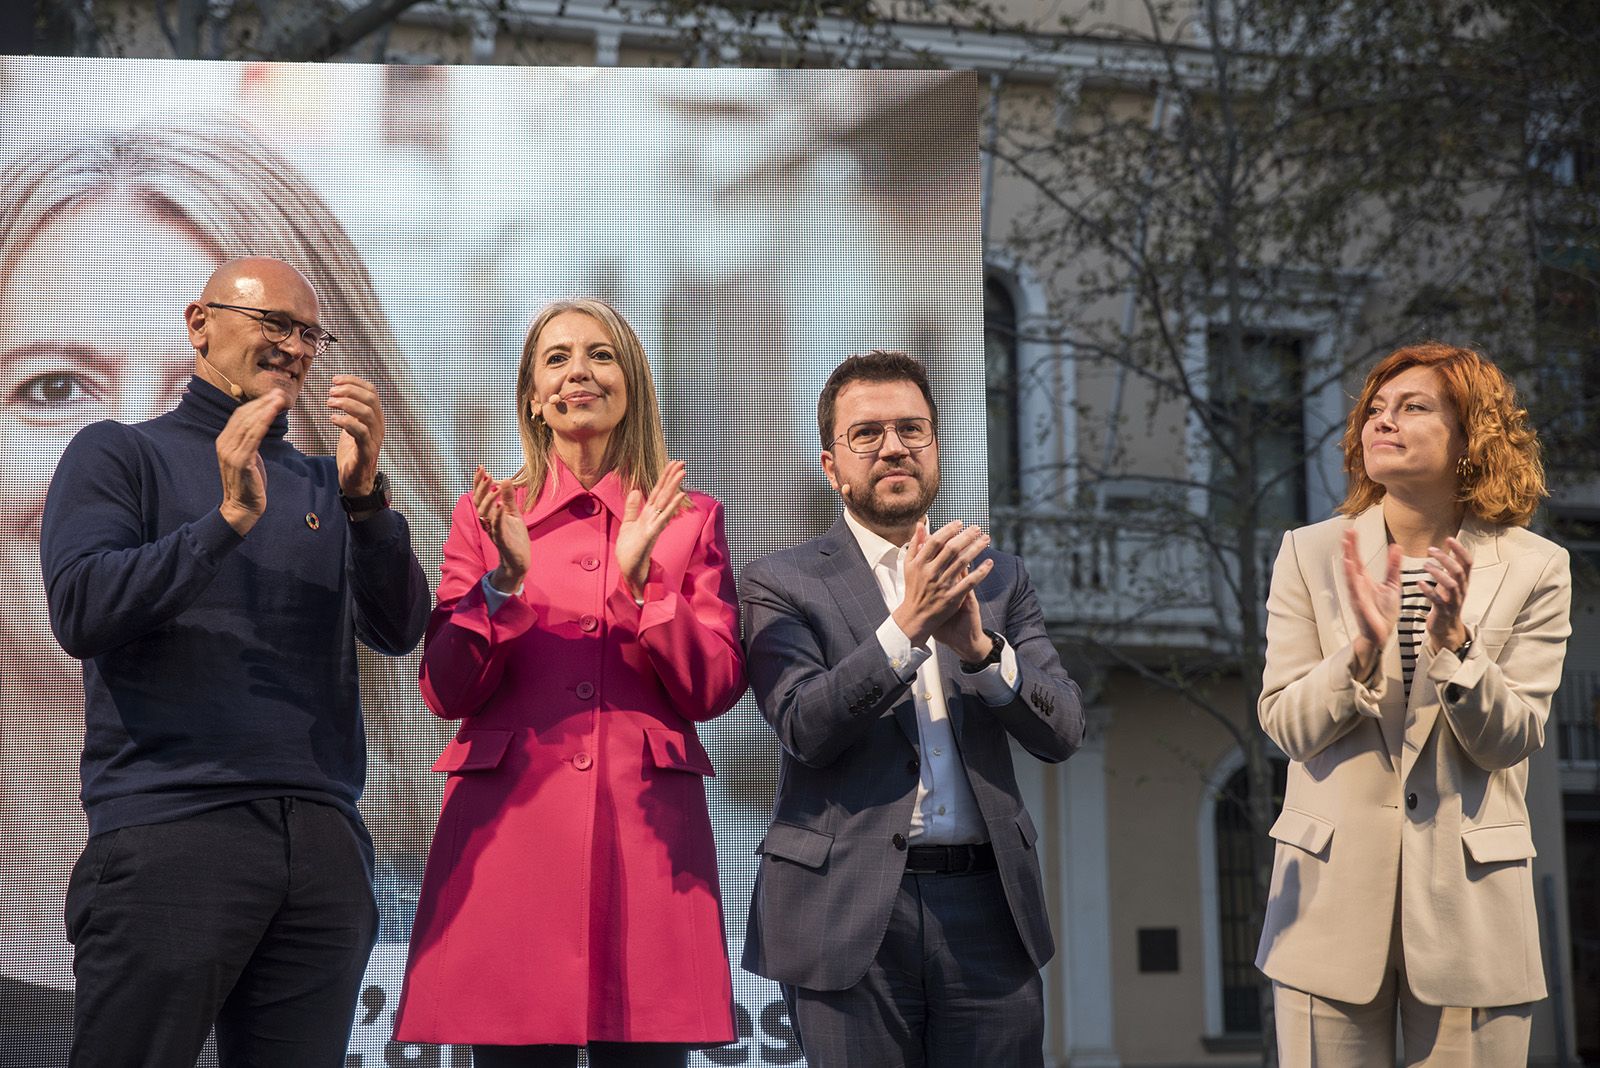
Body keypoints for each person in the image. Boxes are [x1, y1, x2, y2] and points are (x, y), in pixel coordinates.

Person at [0, 120, 452, 1055]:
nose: (290, 343)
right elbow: (82, 609)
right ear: (201, 322)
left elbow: (400, 628)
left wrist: (368, 504)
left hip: (321, 843)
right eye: (51, 384)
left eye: (306, 331)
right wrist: (225, 521)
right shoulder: (118, 454)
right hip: (172, 827)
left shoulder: (326, 481)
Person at [393, 298, 746, 1067]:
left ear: (631, 384)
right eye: (556, 358)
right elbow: (445, 691)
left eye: (600, 354)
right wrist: (502, 585)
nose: (578, 372)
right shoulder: (487, 515)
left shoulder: (690, 517)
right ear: (532, 396)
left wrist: (647, 589)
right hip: (507, 845)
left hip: (647, 848)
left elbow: (714, 688)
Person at [739, 349, 1084, 1067]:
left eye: (911, 429)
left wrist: (982, 652)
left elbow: (1063, 729)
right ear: (831, 466)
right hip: (845, 910)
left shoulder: (998, 576)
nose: (893, 446)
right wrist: (907, 629)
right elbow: (804, 724)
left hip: (989, 908)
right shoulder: (780, 581)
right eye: (866, 433)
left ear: (935, 448)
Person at [1255, 342, 1571, 1065]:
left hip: (1473, 915)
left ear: (1470, 438)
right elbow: (1286, 726)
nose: (1382, 420)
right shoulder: (1309, 553)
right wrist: (1359, 652)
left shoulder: (1537, 567)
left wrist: (1457, 644)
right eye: (1375, 408)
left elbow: (1513, 737)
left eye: (1413, 407)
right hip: (1325, 914)